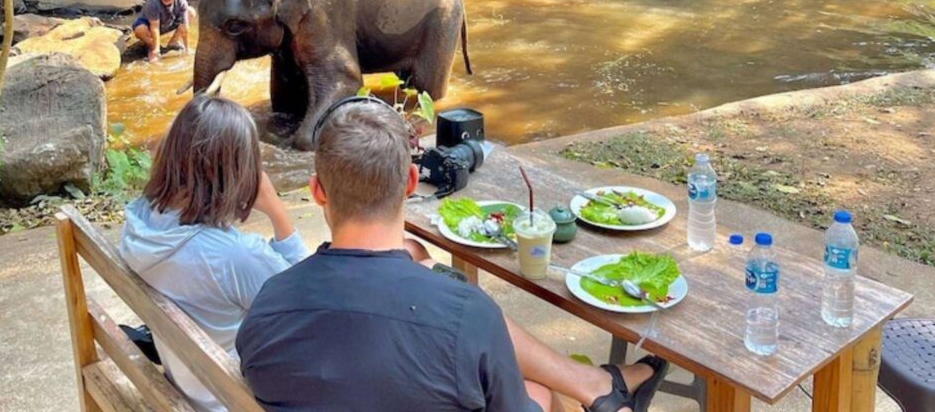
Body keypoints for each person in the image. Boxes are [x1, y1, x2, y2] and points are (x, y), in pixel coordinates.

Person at [237, 97, 669, 412]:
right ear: (409, 182)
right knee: (536, 393)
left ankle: (601, 385)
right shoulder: (466, 315)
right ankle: (604, 390)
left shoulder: (267, 306)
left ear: (316, 191)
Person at [118, 95, 307, 412]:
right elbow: (307, 300)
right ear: (232, 173)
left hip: (188, 379)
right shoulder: (235, 257)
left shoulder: (139, 221)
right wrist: (277, 212)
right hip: (226, 397)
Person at [132, 0, 196, 62]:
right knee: (140, 29)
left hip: (168, 23)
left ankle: (174, 42)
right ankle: (152, 46)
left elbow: (185, 26)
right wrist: (156, 50)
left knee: (191, 12)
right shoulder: (152, 3)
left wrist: (187, 49)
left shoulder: (181, 2)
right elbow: (154, 27)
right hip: (149, 26)